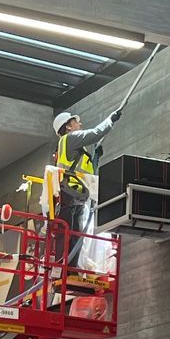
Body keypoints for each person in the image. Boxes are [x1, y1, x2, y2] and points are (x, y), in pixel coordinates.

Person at [51, 108, 120, 270]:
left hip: (76, 196)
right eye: (76, 122)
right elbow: (96, 133)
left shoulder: (75, 147)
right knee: (68, 235)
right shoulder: (70, 139)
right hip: (69, 193)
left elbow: (88, 174)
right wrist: (110, 119)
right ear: (68, 126)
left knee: (75, 235)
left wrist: (95, 157)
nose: (80, 124)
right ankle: (63, 270)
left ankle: (70, 270)